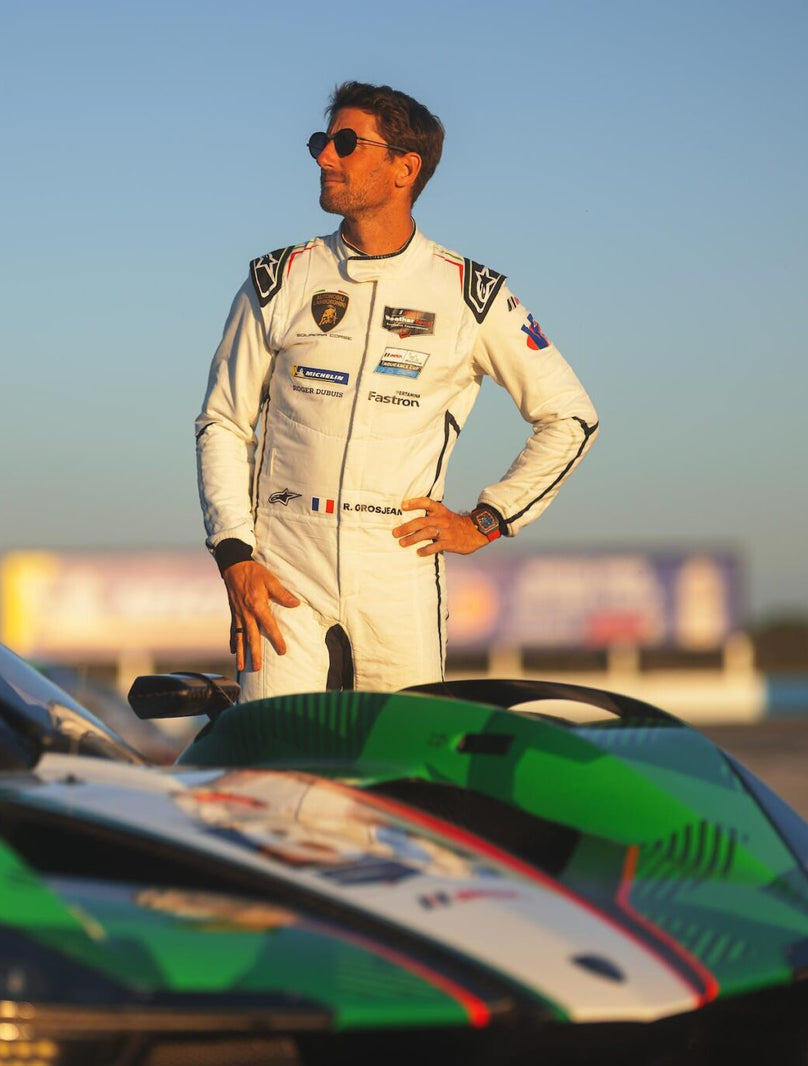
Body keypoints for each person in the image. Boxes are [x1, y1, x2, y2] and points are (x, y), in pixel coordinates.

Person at [195, 81, 598, 700]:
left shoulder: (471, 295)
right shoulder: (277, 281)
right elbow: (223, 422)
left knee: (403, 770)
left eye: (347, 144)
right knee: (277, 770)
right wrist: (234, 554)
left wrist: (487, 520)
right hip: (282, 564)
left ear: (405, 167)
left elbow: (571, 417)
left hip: (399, 567)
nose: (326, 157)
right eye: (322, 142)